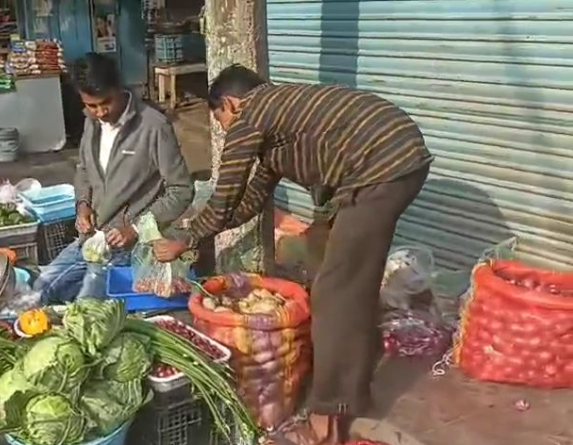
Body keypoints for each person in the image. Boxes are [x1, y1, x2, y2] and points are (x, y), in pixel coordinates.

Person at [151, 65, 433, 444]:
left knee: (334, 291)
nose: (225, 131)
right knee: (341, 274)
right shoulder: (278, 125)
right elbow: (250, 200)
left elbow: (225, 196)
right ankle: (355, 387)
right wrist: (200, 230)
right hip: (393, 161)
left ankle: (326, 419)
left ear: (230, 104)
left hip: (382, 166)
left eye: (220, 121)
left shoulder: (251, 113)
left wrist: (187, 239)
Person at [34, 53, 193, 304]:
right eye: (91, 105)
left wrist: (135, 228)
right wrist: (83, 206)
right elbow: (84, 170)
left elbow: (181, 190)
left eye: (105, 102)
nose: (100, 112)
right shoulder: (92, 122)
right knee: (39, 289)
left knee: (86, 309)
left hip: (128, 249)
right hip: (91, 239)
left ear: (118, 88)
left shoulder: (153, 126)